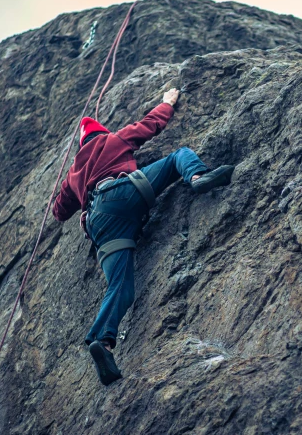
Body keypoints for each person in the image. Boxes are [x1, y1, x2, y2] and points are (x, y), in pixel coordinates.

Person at [52, 87, 234, 385]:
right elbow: (150, 125)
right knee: (178, 156)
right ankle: (198, 177)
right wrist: (167, 102)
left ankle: (103, 341)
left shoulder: (74, 173)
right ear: (100, 134)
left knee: (119, 286)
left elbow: (59, 212)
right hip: (124, 192)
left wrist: (69, 186)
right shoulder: (113, 140)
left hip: (99, 223)